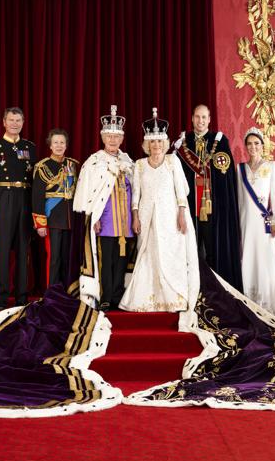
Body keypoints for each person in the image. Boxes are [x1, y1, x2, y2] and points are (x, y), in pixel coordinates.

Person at [119, 109, 199, 322]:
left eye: (159, 142)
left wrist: (182, 214)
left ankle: (173, 298)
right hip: (147, 217)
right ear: (147, 144)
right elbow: (136, 194)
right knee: (149, 255)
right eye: (152, 142)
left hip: (170, 216)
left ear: (165, 143)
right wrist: (135, 216)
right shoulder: (140, 164)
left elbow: (181, 191)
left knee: (170, 254)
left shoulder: (173, 161)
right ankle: (147, 299)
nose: (156, 146)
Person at [175, 104, 243, 290]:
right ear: (192, 118)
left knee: (213, 249)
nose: (200, 121)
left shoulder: (219, 141)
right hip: (190, 206)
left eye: (204, 117)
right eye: (197, 117)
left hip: (212, 207)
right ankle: (192, 289)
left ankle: (214, 289)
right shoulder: (183, 143)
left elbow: (225, 175)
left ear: (209, 119)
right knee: (191, 250)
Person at [73, 105, 134, 310]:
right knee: (105, 260)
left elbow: (136, 191)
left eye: (116, 137)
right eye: (109, 136)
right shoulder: (94, 161)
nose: (113, 140)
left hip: (125, 222)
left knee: (121, 260)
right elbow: (88, 192)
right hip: (105, 220)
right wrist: (94, 217)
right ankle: (105, 296)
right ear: (102, 137)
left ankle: (118, 296)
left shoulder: (128, 161)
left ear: (122, 139)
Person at [0, 107, 36, 309]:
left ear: (22, 122)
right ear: (4, 122)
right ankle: (2, 297)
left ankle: (22, 296)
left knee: (23, 249)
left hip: (24, 198)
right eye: (11, 120)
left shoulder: (30, 147)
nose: (15, 123)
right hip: (2, 199)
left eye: (18, 120)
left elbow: (34, 180)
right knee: (2, 250)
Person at [236, 127, 275, 317]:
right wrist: (239, 226)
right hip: (247, 222)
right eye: (249, 144)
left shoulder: (271, 166)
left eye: (256, 143)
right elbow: (240, 200)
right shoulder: (240, 169)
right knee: (248, 257)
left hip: (264, 223)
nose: (253, 147)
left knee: (265, 260)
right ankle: (249, 301)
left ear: (262, 146)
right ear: (245, 146)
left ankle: (268, 305)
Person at [32, 129, 79, 288]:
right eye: (56, 143)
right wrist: (40, 223)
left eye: (62, 142)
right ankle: (52, 293)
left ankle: (66, 291)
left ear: (66, 145)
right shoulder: (42, 167)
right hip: (51, 218)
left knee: (67, 259)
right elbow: (37, 196)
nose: (59, 146)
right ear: (50, 145)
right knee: (54, 258)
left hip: (69, 219)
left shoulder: (72, 165)